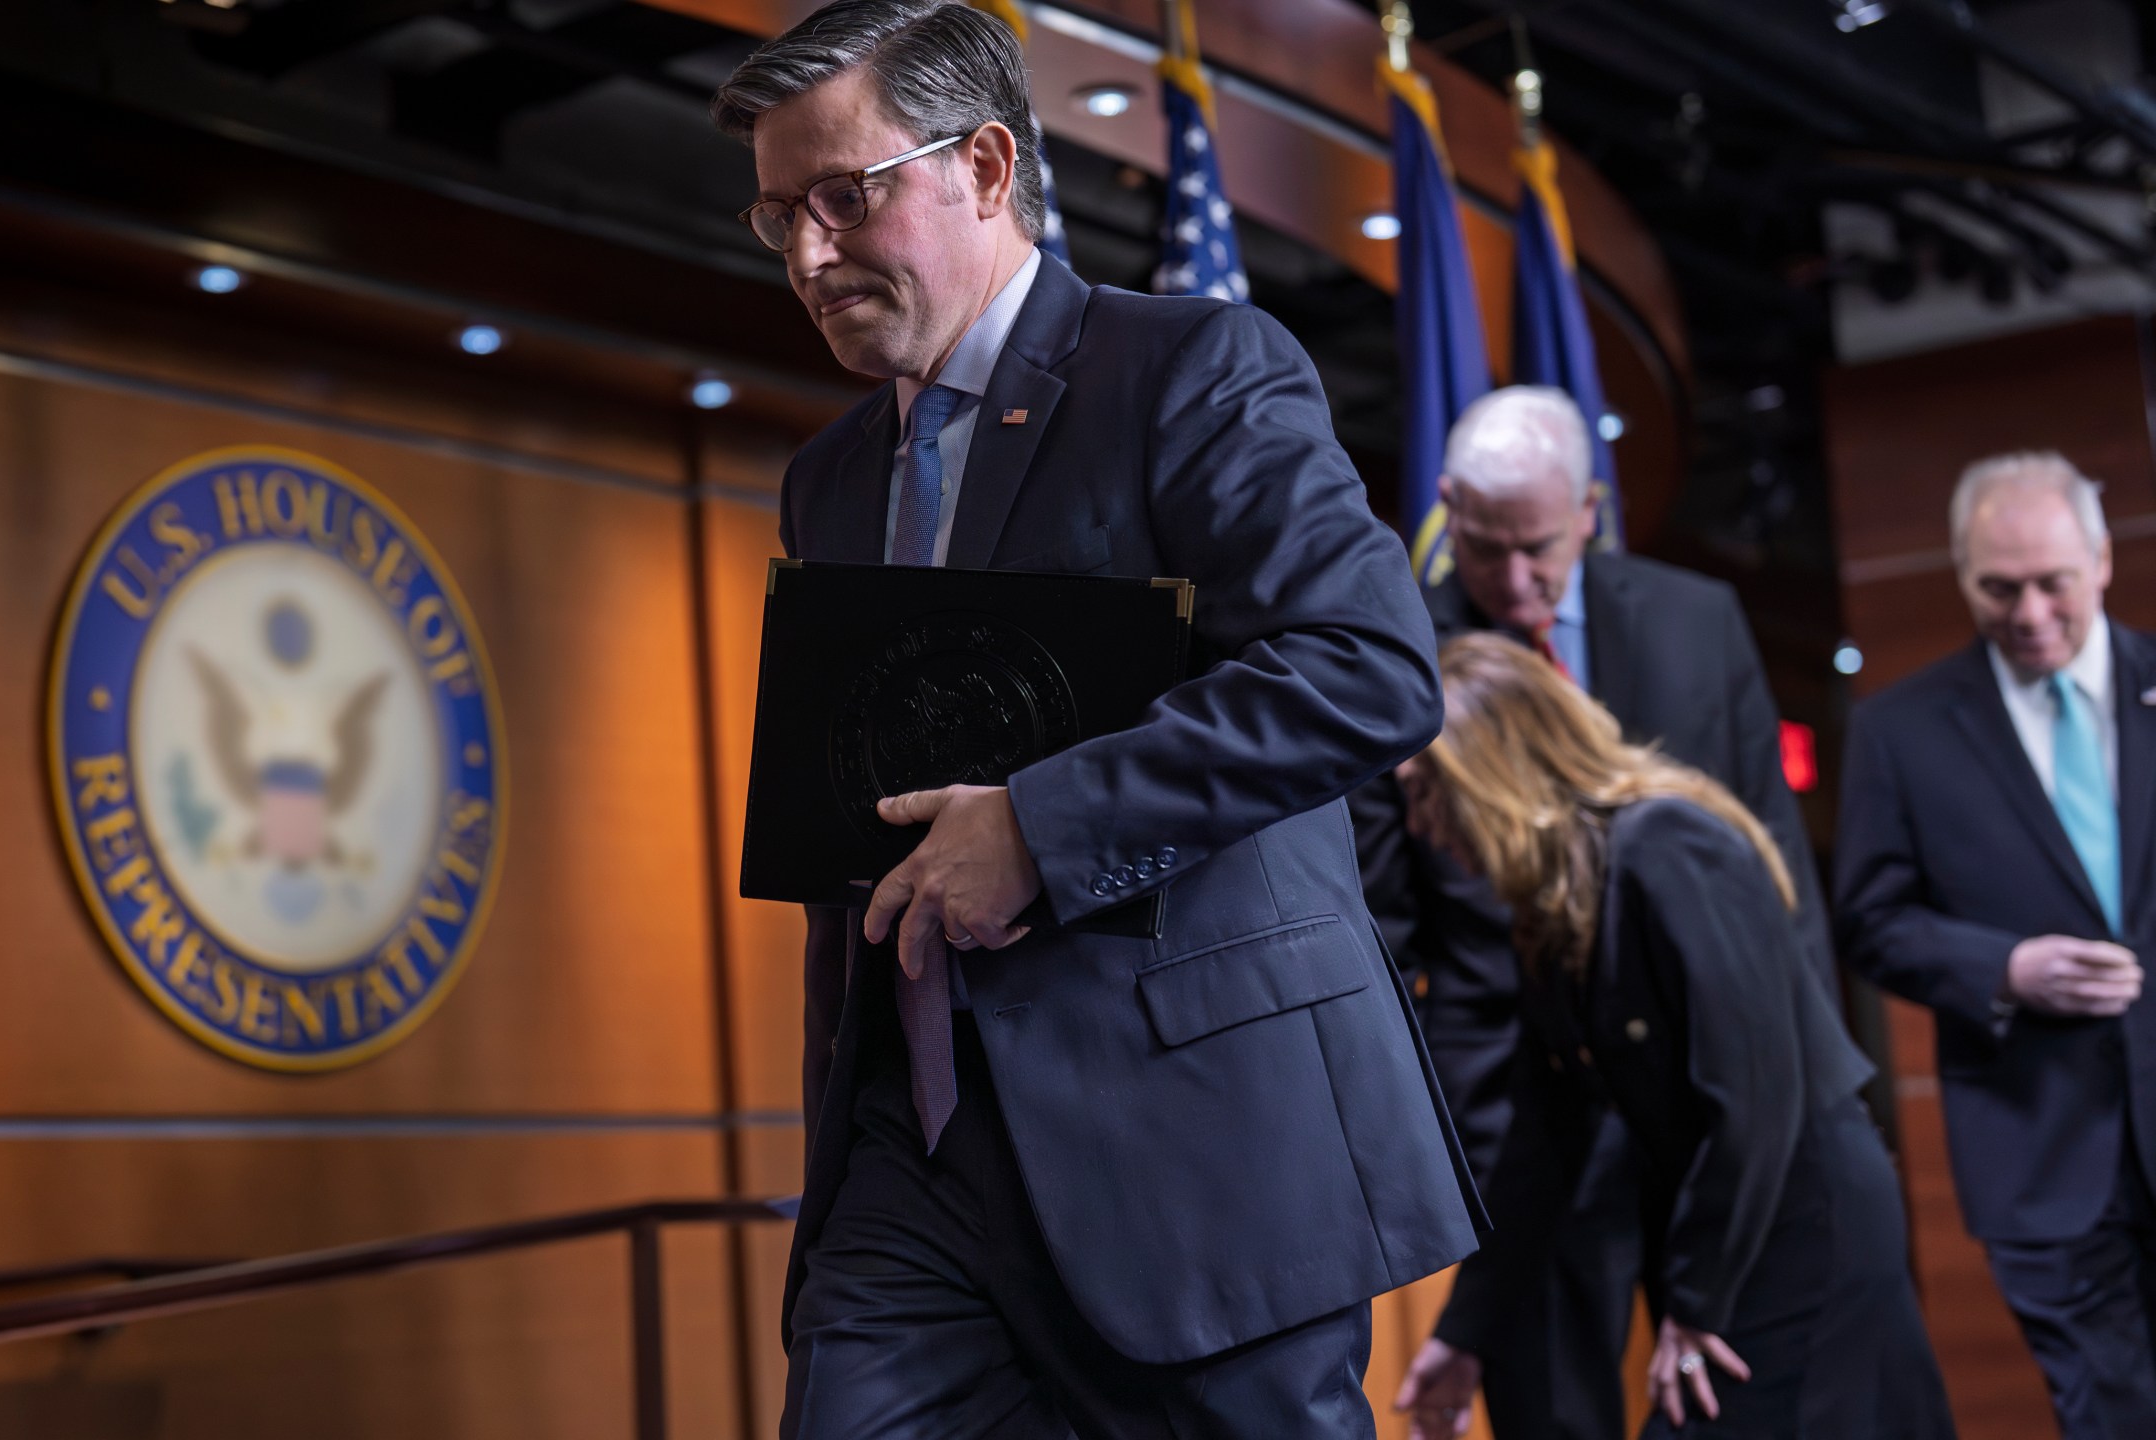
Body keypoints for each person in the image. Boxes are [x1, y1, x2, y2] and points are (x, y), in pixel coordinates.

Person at [710, 2, 1479, 1435]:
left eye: (843, 198)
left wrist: (1041, 832)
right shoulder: (827, 479)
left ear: (985, 166)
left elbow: (1366, 664)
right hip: (911, 1154)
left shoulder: (1193, 368)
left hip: (1195, 1143)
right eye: (778, 216)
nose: (807, 256)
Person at [1358, 385, 1829, 1440]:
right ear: (1447, 508)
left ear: (1586, 512)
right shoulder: (1395, 656)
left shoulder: (1696, 621)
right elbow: (1381, 924)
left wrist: (1805, 1078)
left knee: (1729, 1395)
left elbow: (1777, 876)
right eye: (1486, 549)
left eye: (1538, 547)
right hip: (1523, 1111)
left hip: (1709, 1099)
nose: (1516, 580)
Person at [1393, 633, 1952, 1440]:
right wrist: (1463, 1334)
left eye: (1426, 791)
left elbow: (1753, 1095)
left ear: (1493, 768)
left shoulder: (1668, 843)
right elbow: (1541, 1146)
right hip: (1726, 1232)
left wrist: (1696, 1301)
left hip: (1800, 1220)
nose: (1419, 825)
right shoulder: (1557, 906)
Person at [1836, 450, 2156, 1437]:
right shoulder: (1899, 730)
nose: (2029, 613)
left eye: (2053, 582)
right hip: (2038, 1151)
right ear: (1962, 575)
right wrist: (2004, 970)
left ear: (2100, 562)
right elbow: (1868, 918)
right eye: (1998, 588)